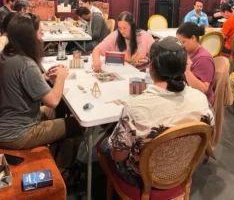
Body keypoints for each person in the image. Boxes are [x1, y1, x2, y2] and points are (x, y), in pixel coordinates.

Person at [101, 36, 215, 187]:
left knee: (105, 145)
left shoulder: (135, 108)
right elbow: (209, 132)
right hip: (182, 170)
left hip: (142, 177)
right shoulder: (201, 100)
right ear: (185, 67)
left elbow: (118, 156)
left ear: (151, 67)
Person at [0, 13, 82, 169]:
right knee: (77, 124)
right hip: (18, 133)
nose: (42, 35)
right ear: (29, 36)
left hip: (7, 123)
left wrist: (42, 77)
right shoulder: (26, 64)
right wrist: (61, 77)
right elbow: (52, 101)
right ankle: (63, 168)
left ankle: (58, 153)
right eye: (39, 32)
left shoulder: (6, 55)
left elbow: (18, 83)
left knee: (62, 109)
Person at [176, 22, 215, 105]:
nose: (180, 46)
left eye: (183, 42)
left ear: (193, 38)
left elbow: (203, 89)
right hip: (188, 95)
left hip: (201, 104)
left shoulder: (203, 59)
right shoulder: (188, 52)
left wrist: (187, 71)